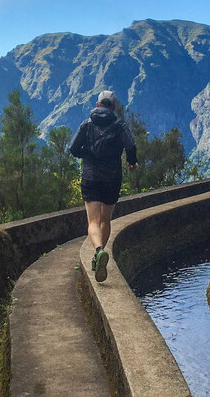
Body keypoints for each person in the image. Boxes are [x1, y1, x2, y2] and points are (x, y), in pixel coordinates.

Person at [68, 90, 137, 282]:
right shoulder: (119, 125)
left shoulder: (87, 124)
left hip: (90, 177)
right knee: (105, 220)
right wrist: (132, 162)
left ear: (98, 105)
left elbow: (73, 148)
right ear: (113, 107)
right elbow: (131, 146)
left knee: (93, 221)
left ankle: (98, 251)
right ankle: (98, 255)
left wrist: (87, 154)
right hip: (112, 178)